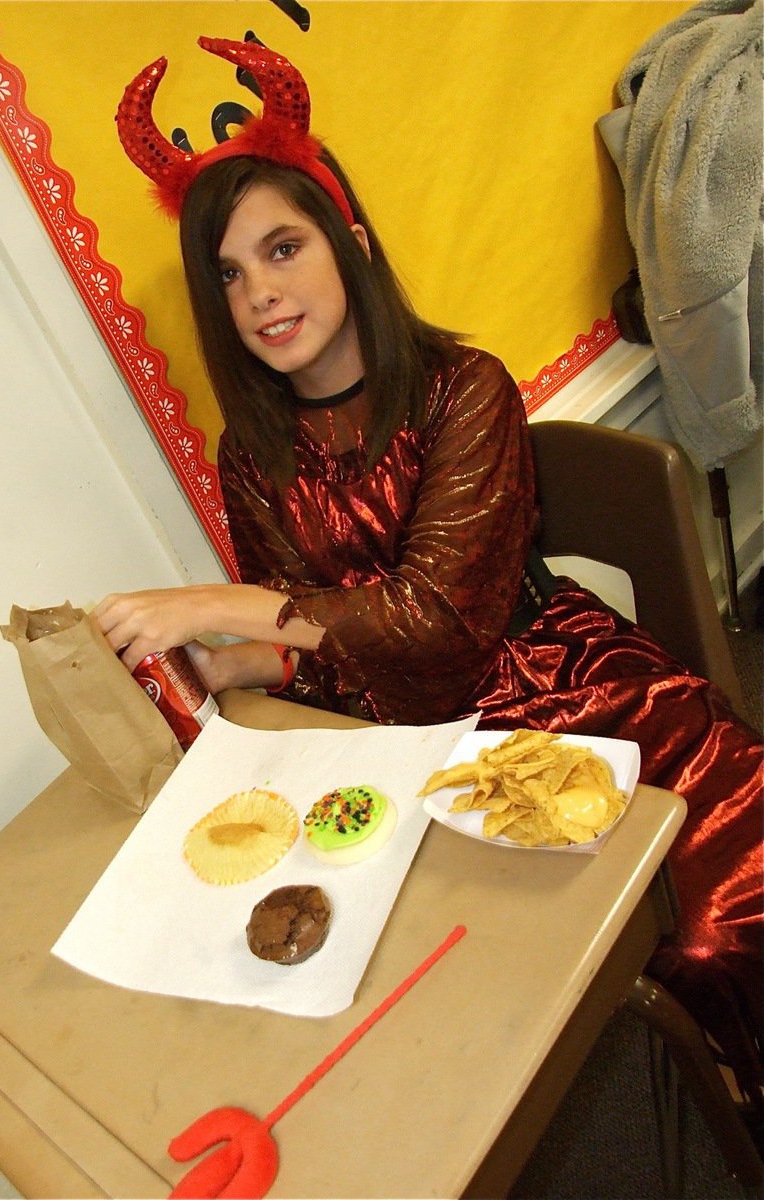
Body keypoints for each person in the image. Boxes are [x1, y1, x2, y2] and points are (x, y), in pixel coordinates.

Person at [100, 38, 763, 1116]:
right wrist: (219, 665)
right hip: (404, 742)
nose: (260, 294)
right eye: (227, 274)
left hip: (565, 686)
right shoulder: (249, 452)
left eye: (282, 249)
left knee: (711, 919)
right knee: (389, 988)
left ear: (349, 240)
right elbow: (316, 641)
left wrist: (215, 604)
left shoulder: (465, 390)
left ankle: (734, 1088)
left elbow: (441, 618)